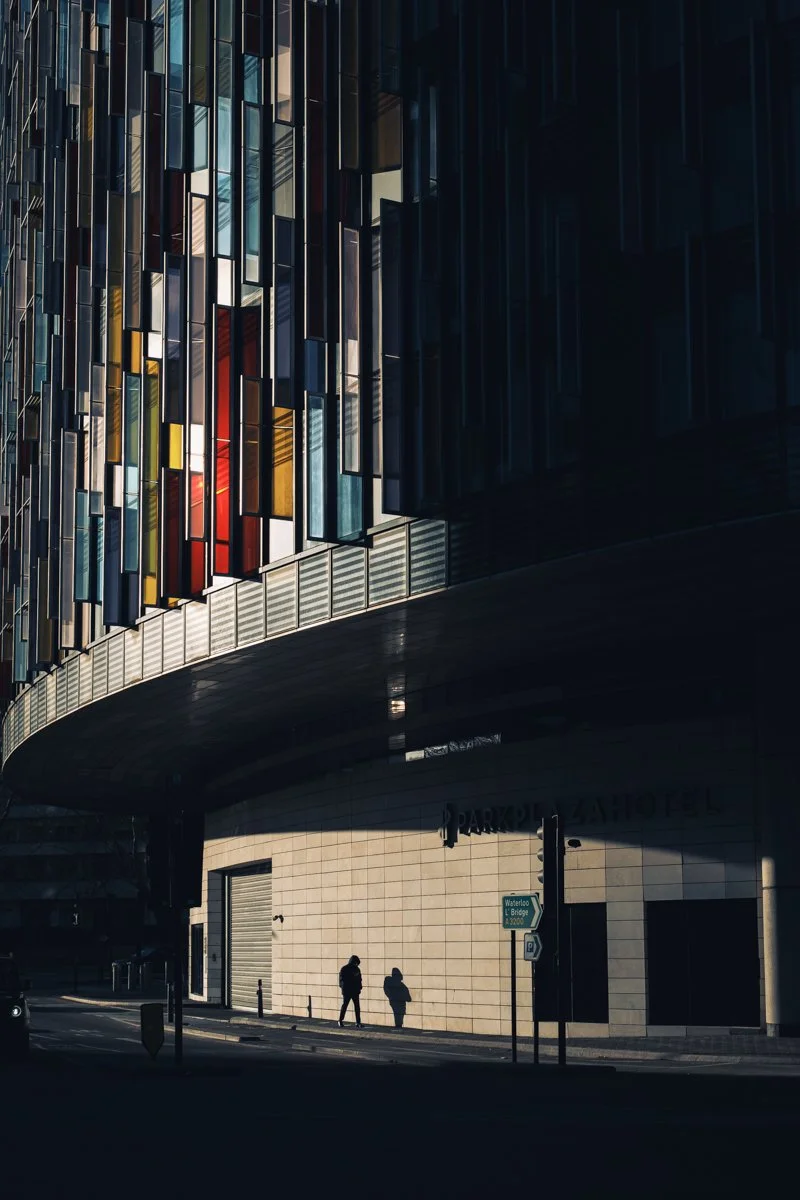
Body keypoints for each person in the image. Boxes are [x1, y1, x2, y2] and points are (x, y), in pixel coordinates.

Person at [338, 954, 364, 1028]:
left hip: (354, 990)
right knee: (345, 1006)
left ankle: (358, 1022)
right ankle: (340, 1020)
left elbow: (359, 979)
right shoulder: (345, 969)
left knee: (356, 1007)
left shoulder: (356, 969)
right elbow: (342, 980)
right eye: (356, 963)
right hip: (348, 990)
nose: (356, 965)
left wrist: (359, 987)